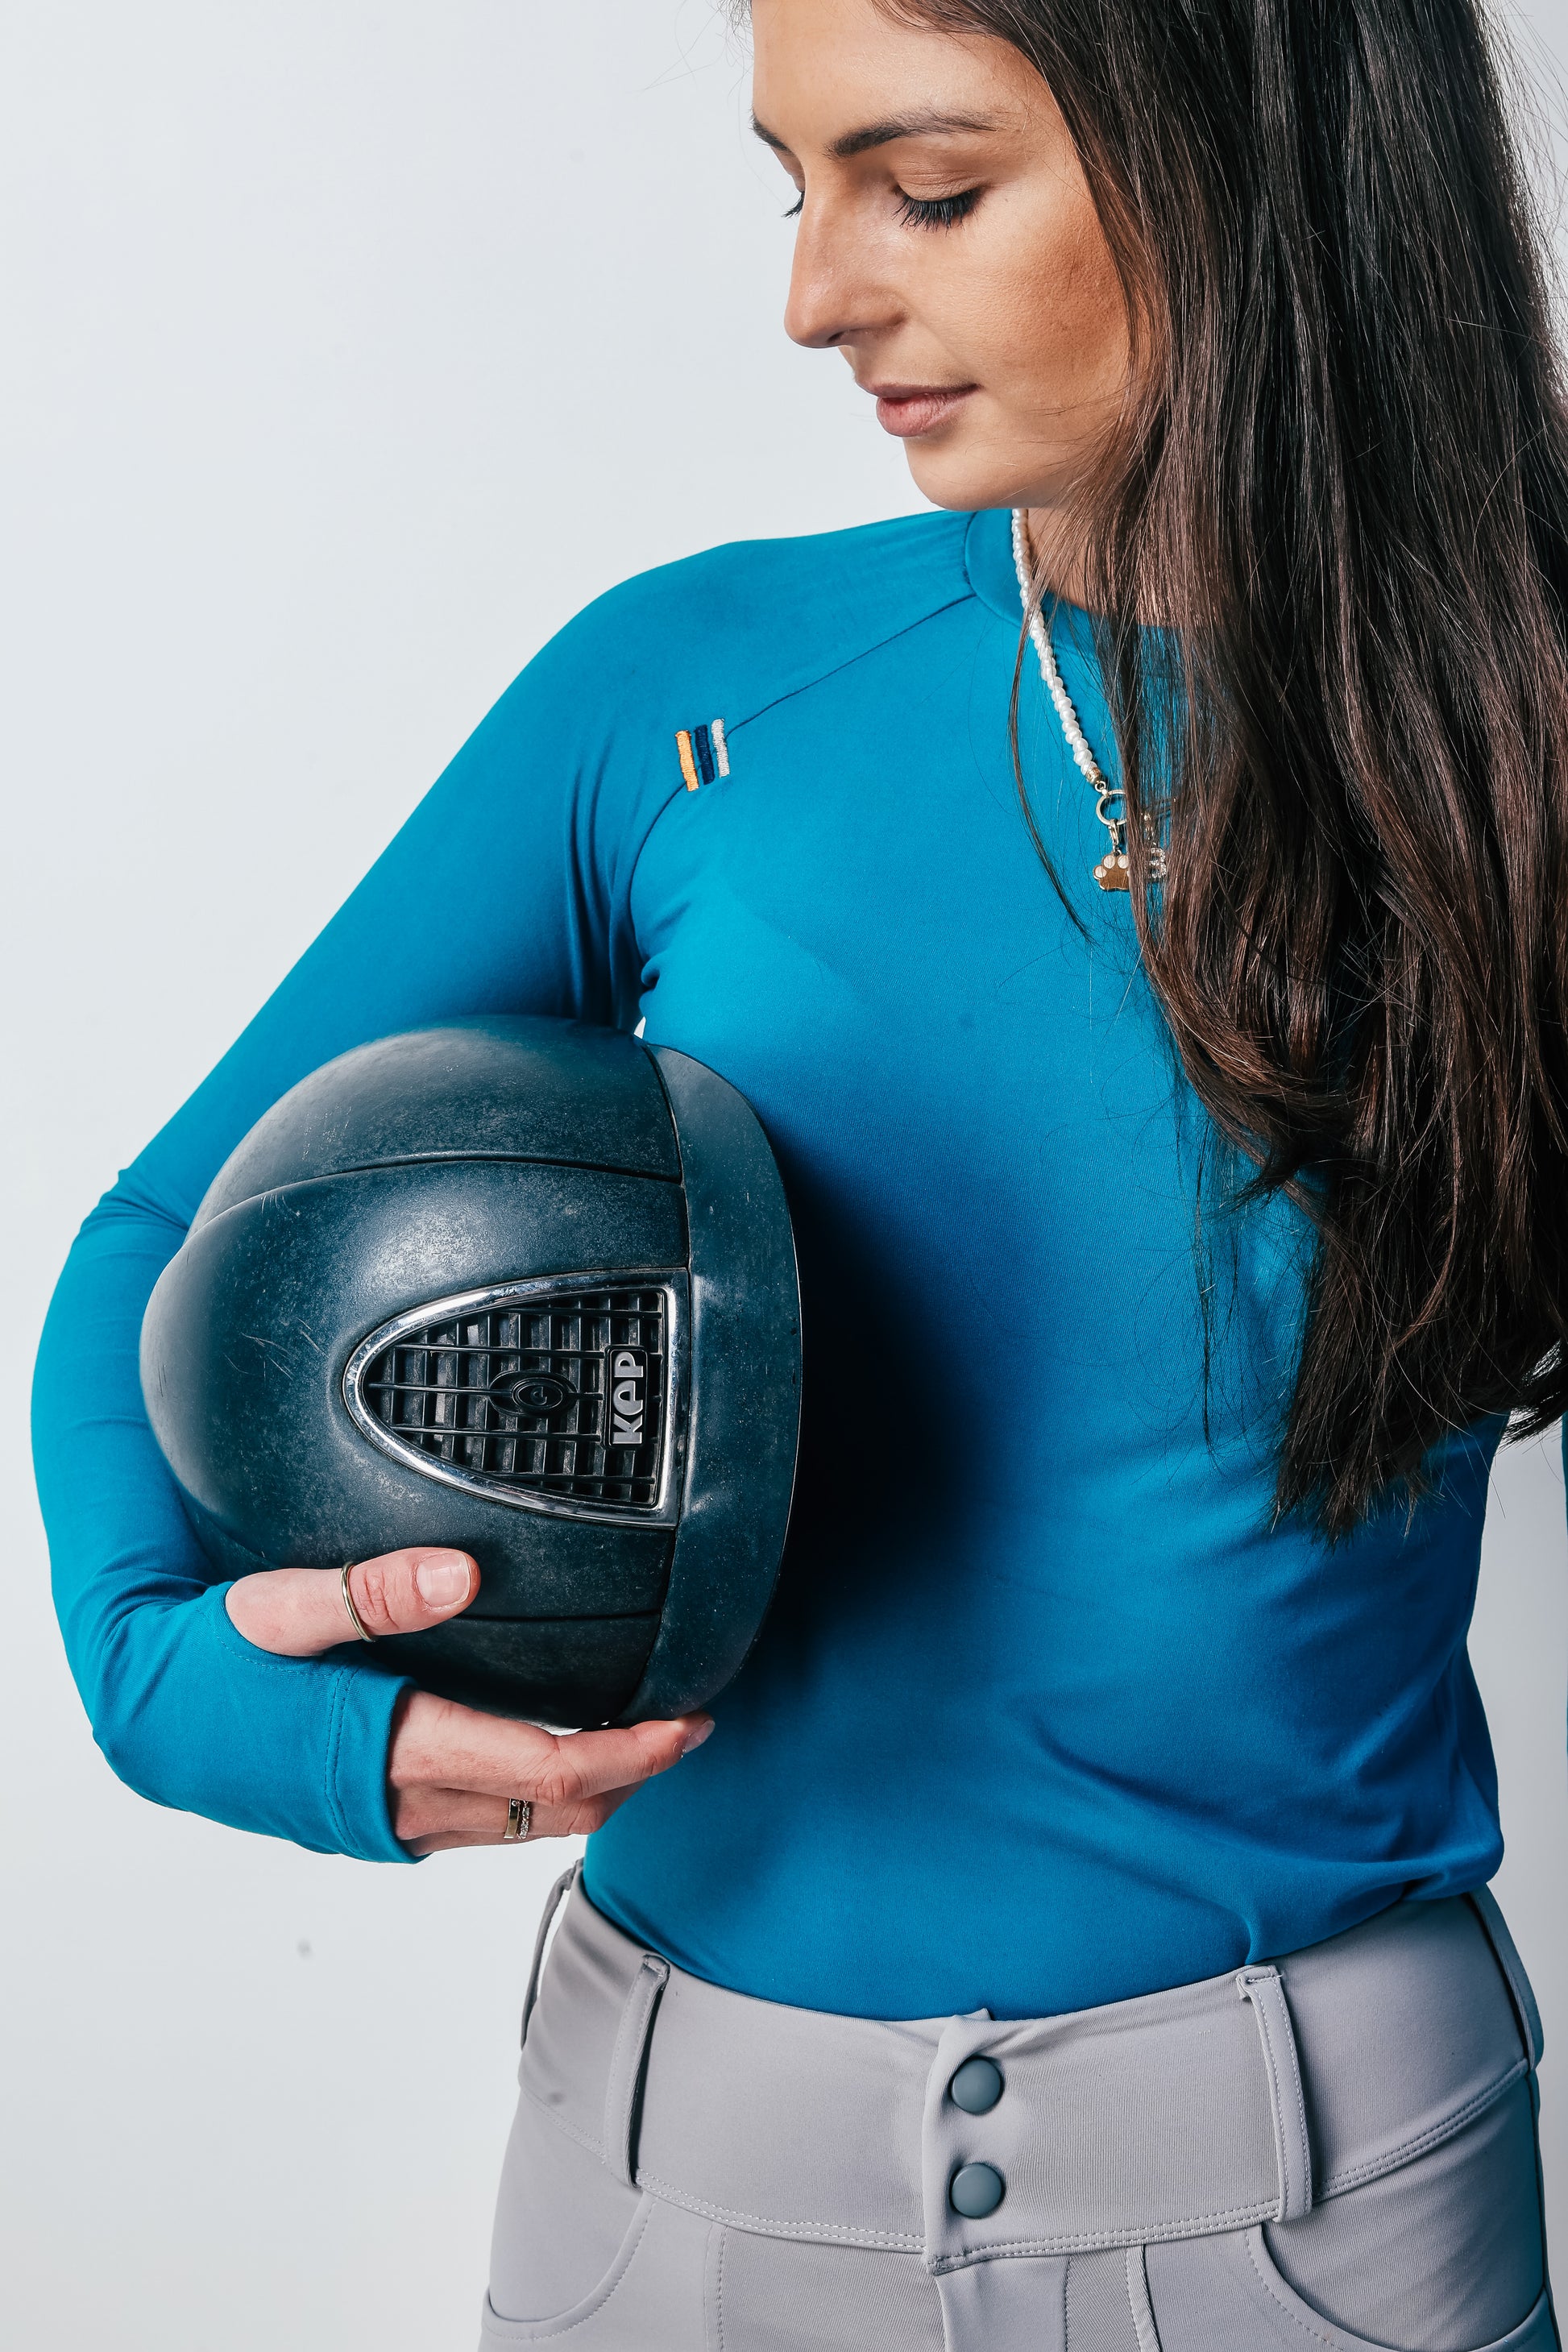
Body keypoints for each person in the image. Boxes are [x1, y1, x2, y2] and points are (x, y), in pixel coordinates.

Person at [31, 0, 1568, 2342]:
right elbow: (167, 1240)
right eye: (797, 184)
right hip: (679, 2191)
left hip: (1330, 2211)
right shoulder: (687, 695)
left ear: (1255, 158)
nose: (817, 296)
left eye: (926, 188)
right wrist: (200, 1693)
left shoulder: (1527, 739)